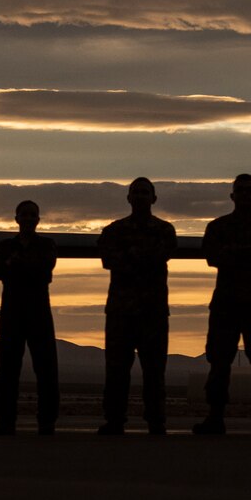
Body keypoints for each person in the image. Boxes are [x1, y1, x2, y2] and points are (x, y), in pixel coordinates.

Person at [194, 174, 251, 435]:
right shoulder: (218, 226)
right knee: (219, 362)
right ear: (232, 196)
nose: (245, 195)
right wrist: (246, 252)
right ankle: (215, 416)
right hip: (226, 304)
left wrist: (233, 252)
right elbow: (213, 256)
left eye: (249, 190)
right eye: (240, 190)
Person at [97, 178, 177, 435]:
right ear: (128, 198)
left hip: (152, 312)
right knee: (116, 370)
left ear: (154, 198)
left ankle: (156, 420)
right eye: (136, 192)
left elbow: (159, 256)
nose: (141, 197)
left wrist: (130, 256)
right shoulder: (113, 231)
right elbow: (109, 259)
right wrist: (142, 256)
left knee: (155, 370)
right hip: (121, 313)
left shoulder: (165, 230)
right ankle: (114, 420)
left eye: (145, 193)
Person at [0, 200, 59, 436]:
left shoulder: (47, 244)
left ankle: (47, 422)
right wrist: (28, 266)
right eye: (25, 215)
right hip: (12, 314)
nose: (29, 219)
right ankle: (6, 421)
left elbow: (44, 269)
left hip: (38, 313)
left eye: (33, 215)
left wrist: (17, 264)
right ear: (17, 218)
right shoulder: (4, 245)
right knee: (7, 369)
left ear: (38, 219)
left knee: (46, 368)